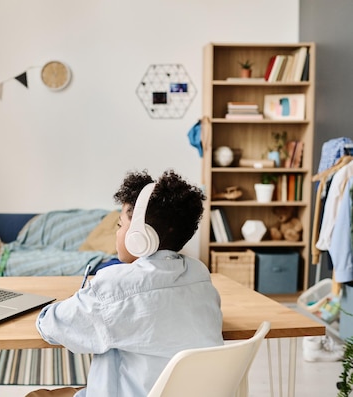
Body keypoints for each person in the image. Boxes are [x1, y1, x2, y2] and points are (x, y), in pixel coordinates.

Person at [27, 169, 224, 396]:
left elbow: (50, 326)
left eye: (120, 225)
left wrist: (83, 298)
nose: (117, 233)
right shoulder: (199, 274)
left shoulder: (116, 288)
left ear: (140, 236)